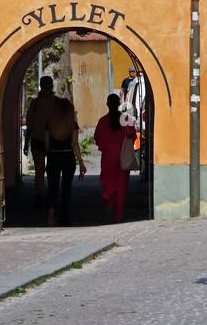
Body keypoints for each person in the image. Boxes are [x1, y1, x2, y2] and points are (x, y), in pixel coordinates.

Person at [45, 96, 86, 226]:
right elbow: (74, 143)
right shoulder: (72, 124)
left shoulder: (50, 122)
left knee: (52, 186)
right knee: (66, 187)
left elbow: (46, 143)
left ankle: (51, 211)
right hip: (68, 157)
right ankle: (64, 217)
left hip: (53, 156)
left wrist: (49, 152)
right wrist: (80, 162)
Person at [94, 93, 133, 222]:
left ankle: (108, 205)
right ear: (118, 104)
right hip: (122, 157)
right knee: (121, 186)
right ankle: (118, 215)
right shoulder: (126, 119)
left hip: (107, 158)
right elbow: (133, 136)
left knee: (108, 183)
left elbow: (97, 138)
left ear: (107, 105)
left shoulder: (102, 121)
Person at [24, 75, 57, 207]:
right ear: (51, 86)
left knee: (39, 171)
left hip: (38, 139)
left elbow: (30, 123)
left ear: (41, 86)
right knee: (53, 170)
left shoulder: (35, 103)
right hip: (53, 140)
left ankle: (39, 195)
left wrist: (26, 142)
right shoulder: (56, 103)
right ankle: (51, 195)